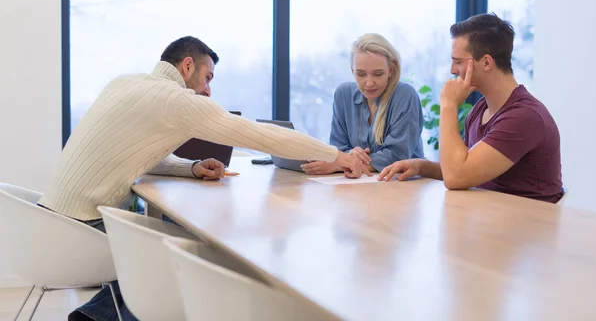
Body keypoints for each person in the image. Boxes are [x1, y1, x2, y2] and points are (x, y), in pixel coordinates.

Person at [38, 36, 369, 321]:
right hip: (82, 229)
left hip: (49, 220)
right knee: (189, 247)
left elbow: (137, 155)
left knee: (172, 238)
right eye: (208, 77)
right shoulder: (177, 100)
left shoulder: (125, 83)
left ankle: (96, 315)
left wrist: (191, 167)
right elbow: (261, 136)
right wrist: (338, 156)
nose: (208, 90)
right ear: (186, 67)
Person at [378, 13, 563, 203]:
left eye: (458, 61)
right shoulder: (480, 110)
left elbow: (456, 177)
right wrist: (420, 166)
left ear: (486, 62)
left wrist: (448, 105)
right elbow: (463, 167)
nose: (452, 70)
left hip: (530, 226)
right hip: (491, 218)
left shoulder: (524, 117)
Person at [302, 33, 424, 175]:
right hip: (360, 186)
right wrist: (350, 155)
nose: (369, 83)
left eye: (378, 74)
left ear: (390, 71)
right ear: (352, 70)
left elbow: (396, 156)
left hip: (404, 185)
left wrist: (343, 164)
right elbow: (338, 149)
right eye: (360, 74)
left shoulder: (405, 95)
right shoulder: (343, 94)